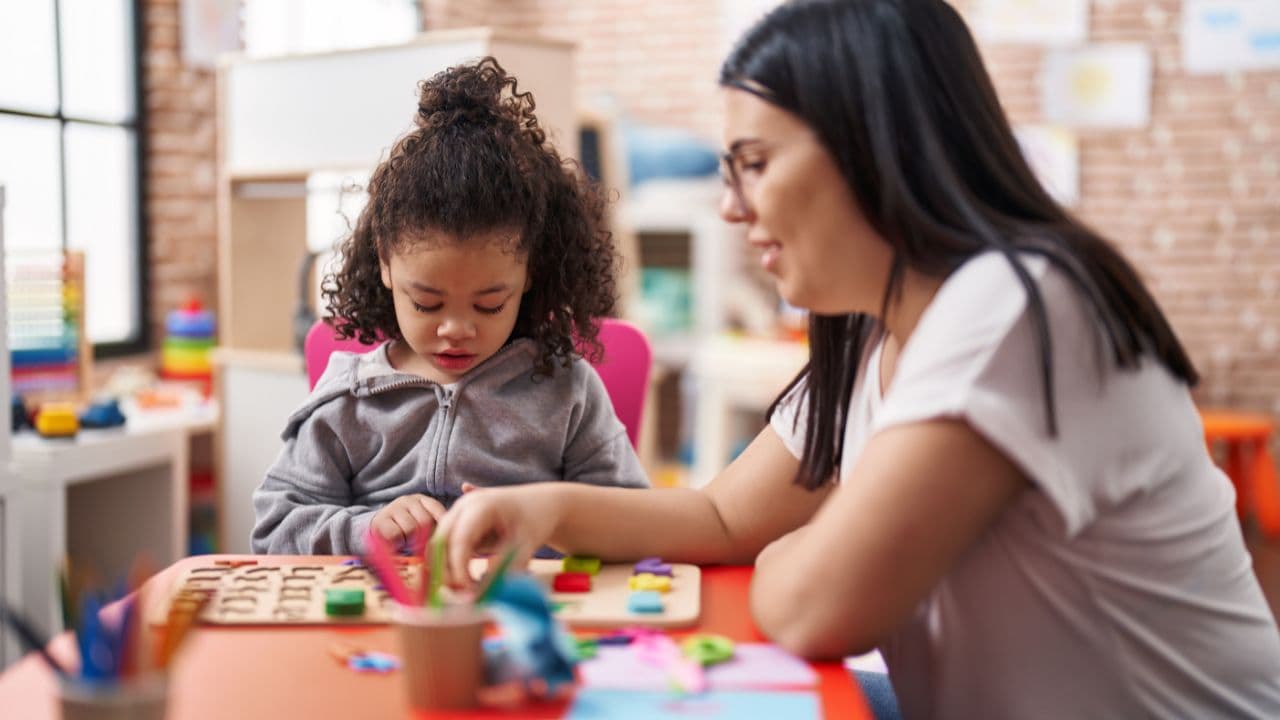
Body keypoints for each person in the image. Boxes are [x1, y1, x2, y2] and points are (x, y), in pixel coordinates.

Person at [434, 2, 1280, 717]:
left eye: (755, 165)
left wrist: (788, 555)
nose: (732, 207)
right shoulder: (874, 330)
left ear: (875, 146)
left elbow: (812, 609)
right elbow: (726, 519)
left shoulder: (1015, 303)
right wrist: (541, 508)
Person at [251, 58, 647, 556]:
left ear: (527, 276)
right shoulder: (350, 400)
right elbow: (275, 528)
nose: (456, 329)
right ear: (386, 265)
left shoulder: (566, 391)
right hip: (384, 623)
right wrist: (367, 529)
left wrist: (542, 524)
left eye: (489, 304)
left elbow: (633, 518)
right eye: (427, 303)